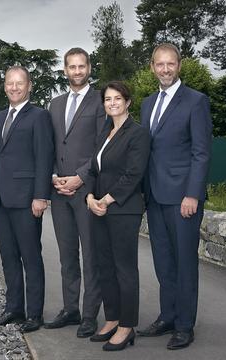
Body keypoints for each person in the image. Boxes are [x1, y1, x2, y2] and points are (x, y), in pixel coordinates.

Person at [137, 43, 212, 350]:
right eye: (159, 64)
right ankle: (168, 315)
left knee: (184, 263)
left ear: (179, 65)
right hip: (154, 197)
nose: (165, 69)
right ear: (152, 67)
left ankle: (184, 325)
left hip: (183, 199)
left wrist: (192, 194)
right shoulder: (147, 103)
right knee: (163, 263)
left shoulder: (196, 101)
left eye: (170, 64)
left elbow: (201, 152)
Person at [0, 66, 54, 333]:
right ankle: (14, 308)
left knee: (31, 258)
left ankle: (34, 314)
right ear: (5, 86)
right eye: (10, 83)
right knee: (8, 257)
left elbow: (44, 157)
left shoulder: (39, 116)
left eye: (19, 83)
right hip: (2, 201)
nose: (14, 88)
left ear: (29, 85)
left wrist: (40, 196)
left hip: (27, 201)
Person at [83, 81, 150, 351]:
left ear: (128, 102)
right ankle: (112, 318)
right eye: (108, 99)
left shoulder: (138, 133)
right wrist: (89, 198)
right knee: (105, 267)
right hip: (98, 209)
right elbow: (92, 171)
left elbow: (134, 174)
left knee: (124, 269)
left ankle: (127, 325)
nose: (112, 103)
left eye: (117, 98)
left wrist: (106, 199)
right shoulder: (105, 132)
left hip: (123, 209)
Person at [45, 47, 106, 337]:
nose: (77, 71)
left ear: (89, 68)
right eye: (72, 67)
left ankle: (90, 314)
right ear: (65, 69)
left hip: (86, 191)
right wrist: (54, 177)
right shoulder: (54, 104)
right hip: (59, 193)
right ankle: (71, 309)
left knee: (91, 255)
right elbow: (51, 146)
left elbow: (101, 146)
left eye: (82, 66)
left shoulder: (100, 102)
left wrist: (79, 178)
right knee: (67, 254)